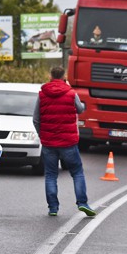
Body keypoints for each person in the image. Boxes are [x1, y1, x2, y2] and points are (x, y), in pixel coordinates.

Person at [33, 66, 94, 217]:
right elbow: (80, 109)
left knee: (51, 175)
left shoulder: (42, 94)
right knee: (77, 173)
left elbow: (35, 119)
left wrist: (43, 135)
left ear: (50, 76)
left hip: (49, 143)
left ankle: (53, 208)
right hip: (69, 142)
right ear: (64, 76)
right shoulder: (71, 93)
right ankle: (82, 203)